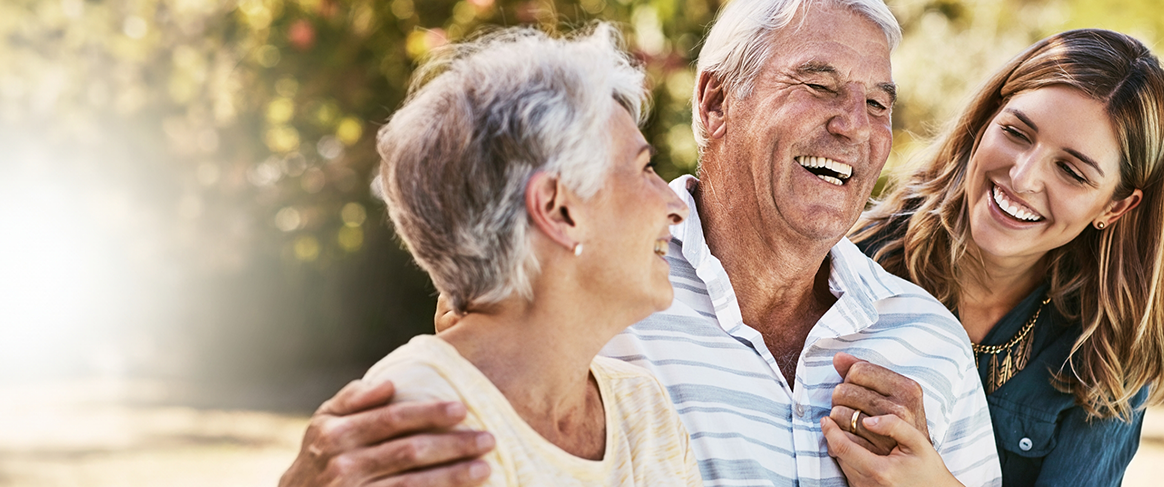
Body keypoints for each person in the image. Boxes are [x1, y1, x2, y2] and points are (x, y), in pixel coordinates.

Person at [278, 1, 1002, 486]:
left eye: (879, 102)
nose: (856, 123)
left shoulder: (636, 404)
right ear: (715, 102)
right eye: (818, 84)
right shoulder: (489, 377)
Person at [351, 24, 701, 486]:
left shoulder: (643, 408)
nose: (675, 205)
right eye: (643, 170)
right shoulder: (421, 416)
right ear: (558, 209)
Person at [831, 29, 1164, 486]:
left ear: (1114, 207)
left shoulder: (1104, 358)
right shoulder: (851, 261)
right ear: (987, 120)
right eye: (1015, 132)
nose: (1022, 178)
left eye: (1070, 170)